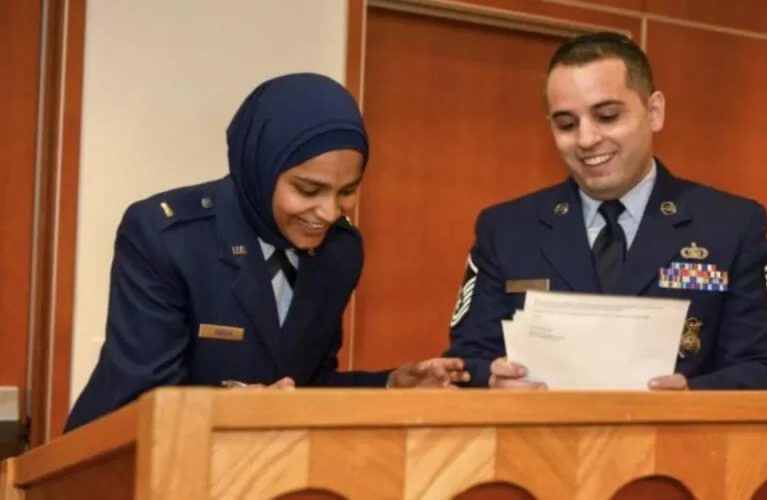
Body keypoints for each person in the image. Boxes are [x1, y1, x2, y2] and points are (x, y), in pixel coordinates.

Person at [65, 73, 468, 432]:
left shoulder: (340, 253)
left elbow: (307, 385)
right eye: (308, 190)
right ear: (260, 165)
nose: (328, 213)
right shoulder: (166, 236)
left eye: (347, 191)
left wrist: (389, 386)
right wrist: (232, 410)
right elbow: (143, 399)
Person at [445, 32, 767, 391]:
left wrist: (692, 398)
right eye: (566, 124)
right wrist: (491, 378)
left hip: (683, 444)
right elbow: (466, 360)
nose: (586, 139)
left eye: (607, 116)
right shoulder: (505, 230)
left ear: (654, 111)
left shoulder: (731, 226)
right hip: (541, 444)